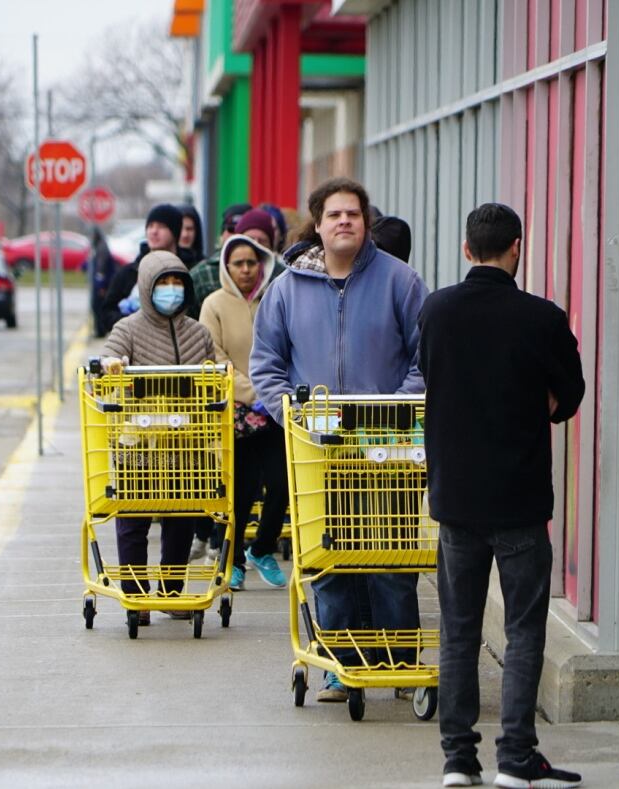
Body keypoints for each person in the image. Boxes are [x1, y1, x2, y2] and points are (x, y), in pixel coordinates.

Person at [418, 203, 585, 789]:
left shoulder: (436, 310)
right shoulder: (541, 317)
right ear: (518, 247)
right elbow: (570, 395)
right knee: (524, 630)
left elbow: (432, 376)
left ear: (467, 249)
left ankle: (458, 762)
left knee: (459, 630)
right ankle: (516, 757)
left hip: (456, 498)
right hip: (518, 496)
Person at [250, 176, 428, 702]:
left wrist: (392, 410)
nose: (344, 221)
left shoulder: (401, 281)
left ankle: (398, 658)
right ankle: (337, 661)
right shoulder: (285, 288)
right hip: (319, 450)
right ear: (318, 224)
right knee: (329, 558)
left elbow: (426, 356)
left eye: (354, 213)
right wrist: (300, 420)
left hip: (387, 448)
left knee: (391, 556)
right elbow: (267, 365)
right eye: (334, 215)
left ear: (366, 222)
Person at [99, 250, 215, 627]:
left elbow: (211, 378)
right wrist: (112, 365)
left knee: (180, 514)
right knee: (134, 518)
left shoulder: (198, 333)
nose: (170, 290)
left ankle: (170, 592)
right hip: (138, 444)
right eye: (162, 283)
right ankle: (136, 595)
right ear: (147, 287)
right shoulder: (128, 329)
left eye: (176, 283)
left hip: (185, 444)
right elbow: (109, 359)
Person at [189, 207, 288, 562]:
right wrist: (253, 392)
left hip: (276, 410)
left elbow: (286, 347)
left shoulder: (276, 297)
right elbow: (214, 357)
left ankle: (262, 549)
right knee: (241, 491)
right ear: (226, 268)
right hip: (238, 413)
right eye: (238, 263)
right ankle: (232, 561)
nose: (246, 269)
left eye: (252, 262)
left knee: (281, 484)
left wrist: (274, 394)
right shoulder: (213, 304)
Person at [100, 203, 183, 334]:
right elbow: (106, 313)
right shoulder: (129, 272)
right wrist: (133, 324)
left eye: (161, 226)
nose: (154, 231)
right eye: (150, 226)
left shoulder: (187, 271)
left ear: (175, 232)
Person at [189, 203, 252, 320]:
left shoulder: (271, 273)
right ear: (222, 234)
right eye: (231, 229)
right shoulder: (201, 274)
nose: (236, 235)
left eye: (243, 229)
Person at [89, 226, 116, 337]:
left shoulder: (101, 248)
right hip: (104, 284)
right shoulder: (102, 246)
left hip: (102, 285)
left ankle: (100, 330)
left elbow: (101, 269)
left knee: (97, 307)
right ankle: (100, 329)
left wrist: (101, 286)